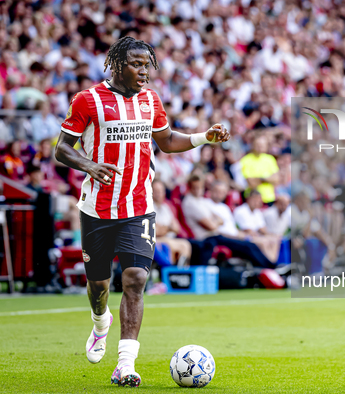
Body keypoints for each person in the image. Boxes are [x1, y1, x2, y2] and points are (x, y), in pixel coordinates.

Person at [54, 37, 230, 388]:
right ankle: (99, 321)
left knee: (135, 279)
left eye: (148, 65)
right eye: (137, 64)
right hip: (97, 209)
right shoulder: (88, 100)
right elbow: (61, 149)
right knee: (99, 285)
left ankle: (125, 365)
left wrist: (204, 137)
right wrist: (88, 165)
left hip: (138, 207)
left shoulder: (150, 101)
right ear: (118, 65)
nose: (145, 72)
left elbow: (165, 142)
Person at [181, 174, 276, 268]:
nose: (198, 190)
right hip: (213, 237)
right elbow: (213, 226)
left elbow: (220, 221)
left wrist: (216, 221)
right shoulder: (196, 202)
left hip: (221, 235)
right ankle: (271, 268)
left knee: (252, 245)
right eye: (195, 187)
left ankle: (271, 268)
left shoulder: (204, 202)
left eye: (200, 187)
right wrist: (216, 221)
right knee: (248, 247)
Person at [152, 179, 192, 266]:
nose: (158, 194)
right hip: (157, 240)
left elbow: (177, 228)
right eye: (155, 191)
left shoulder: (166, 207)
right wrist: (169, 228)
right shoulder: (149, 208)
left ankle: (181, 273)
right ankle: (176, 273)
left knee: (186, 244)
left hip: (168, 239)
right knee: (183, 245)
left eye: (161, 191)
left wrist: (163, 228)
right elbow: (155, 232)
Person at [240, 134, 279, 204]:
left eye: (262, 145)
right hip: (252, 199)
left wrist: (259, 179)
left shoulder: (270, 159)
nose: (260, 147)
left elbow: (276, 179)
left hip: (269, 198)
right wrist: (267, 179)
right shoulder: (245, 160)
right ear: (252, 145)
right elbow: (250, 182)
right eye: (258, 145)